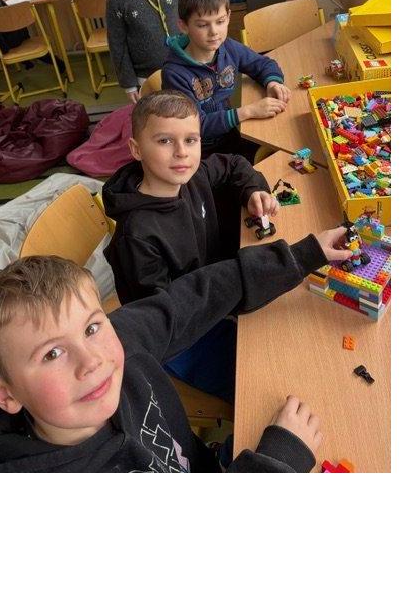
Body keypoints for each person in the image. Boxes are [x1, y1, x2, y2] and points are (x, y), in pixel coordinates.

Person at [0, 228, 356, 472]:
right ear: (5, 394)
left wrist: (302, 255)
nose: (92, 361)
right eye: (52, 354)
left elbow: (187, 301)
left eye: (91, 327)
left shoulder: (114, 345)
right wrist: (278, 461)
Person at [101, 90, 281, 401]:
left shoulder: (192, 177)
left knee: (282, 334)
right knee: (260, 384)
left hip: (214, 296)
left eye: (191, 140)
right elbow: (165, 319)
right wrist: (231, 291)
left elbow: (234, 164)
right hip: (182, 336)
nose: (181, 153)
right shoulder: (137, 237)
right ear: (136, 149)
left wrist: (252, 191)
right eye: (165, 141)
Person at [161, 0, 290, 156]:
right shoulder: (174, 74)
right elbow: (195, 126)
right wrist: (249, 111)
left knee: (281, 146)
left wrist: (273, 83)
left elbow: (262, 64)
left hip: (230, 134)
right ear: (184, 26)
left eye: (220, 21)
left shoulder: (227, 46)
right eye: (202, 25)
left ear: (228, 17)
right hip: (199, 152)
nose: (214, 32)